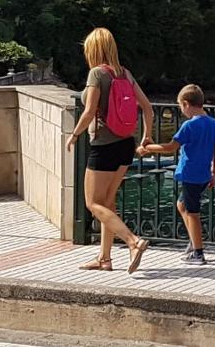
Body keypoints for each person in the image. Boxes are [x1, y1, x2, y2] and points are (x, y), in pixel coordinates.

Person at [66, 27, 156, 274]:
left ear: (93, 50)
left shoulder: (97, 74)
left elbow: (88, 111)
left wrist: (74, 136)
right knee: (107, 201)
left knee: (93, 203)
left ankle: (133, 242)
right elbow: (147, 108)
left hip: (104, 146)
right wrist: (147, 136)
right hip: (126, 144)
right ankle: (104, 259)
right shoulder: (125, 73)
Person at [141, 84, 215, 265]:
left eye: (180, 106)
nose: (181, 111)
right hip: (204, 174)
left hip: (191, 174)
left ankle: (198, 252)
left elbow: (171, 147)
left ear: (186, 104)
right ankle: (194, 240)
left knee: (192, 212)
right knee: (182, 204)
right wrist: (214, 171)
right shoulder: (212, 123)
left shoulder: (189, 125)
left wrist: (147, 148)